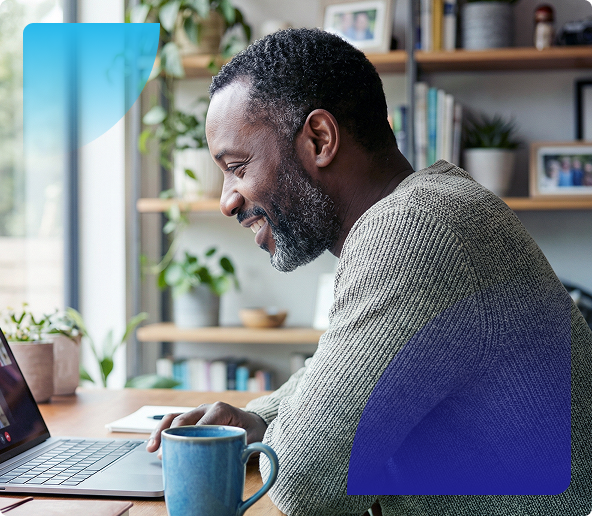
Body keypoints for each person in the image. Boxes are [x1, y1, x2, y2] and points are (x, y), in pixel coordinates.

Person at [147, 29, 592, 515]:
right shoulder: (434, 203)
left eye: (237, 166)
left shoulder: (413, 230)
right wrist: (256, 417)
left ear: (319, 139)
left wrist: (280, 432)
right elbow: (333, 373)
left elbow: (302, 482)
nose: (227, 199)